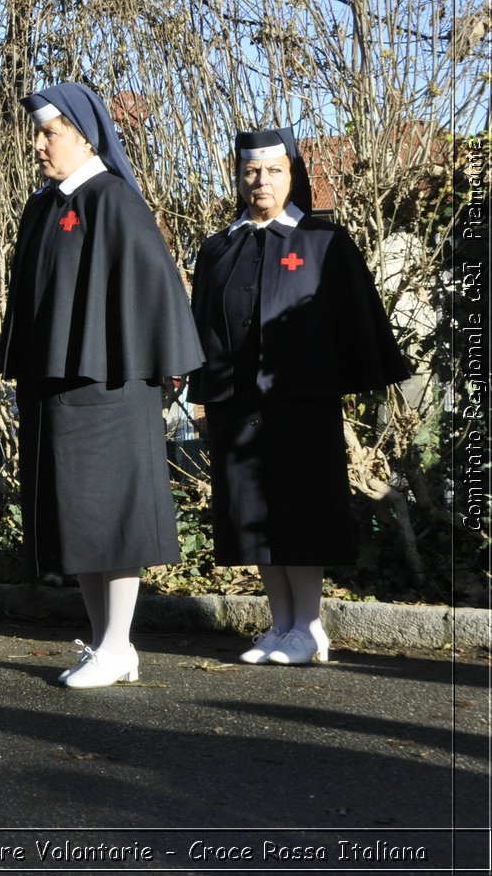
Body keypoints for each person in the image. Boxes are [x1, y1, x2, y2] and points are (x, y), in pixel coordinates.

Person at [0, 82, 203, 688]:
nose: (39, 145)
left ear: (85, 135)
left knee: (111, 517)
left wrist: (163, 370)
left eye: (50, 132)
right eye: (36, 132)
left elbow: (154, 288)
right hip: (58, 385)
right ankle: (105, 643)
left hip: (111, 387)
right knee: (79, 520)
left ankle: (118, 644)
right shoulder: (44, 204)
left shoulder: (113, 198)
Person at [189, 128, 410, 665]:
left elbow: (352, 320)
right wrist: (202, 396)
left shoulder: (321, 242)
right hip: (237, 403)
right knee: (256, 513)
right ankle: (280, 623)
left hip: (301, 403)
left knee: (300, 510)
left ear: (292, 173)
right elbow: (203, 329)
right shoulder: (219, 248)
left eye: (272, 171)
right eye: (250, 172)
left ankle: (308, 626)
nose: (260, 182)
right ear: (238, 177)